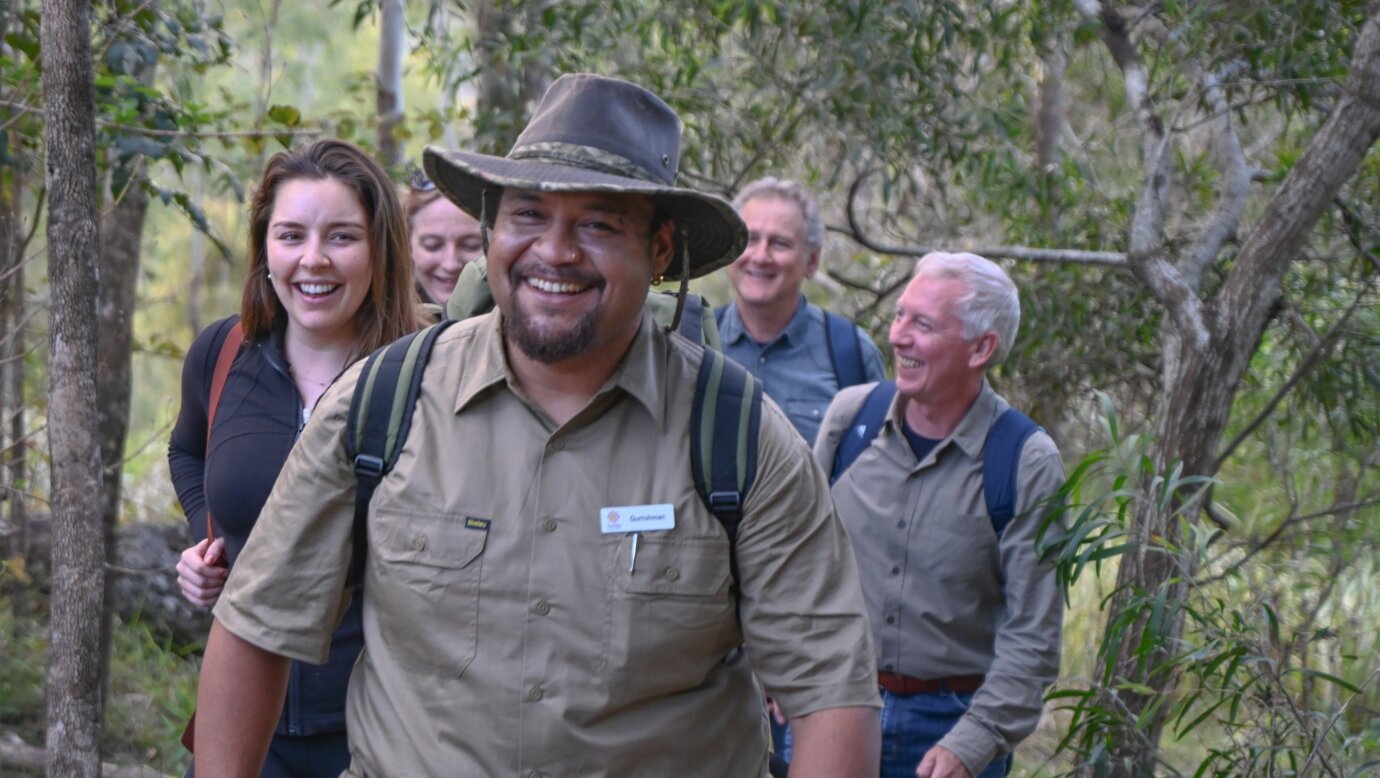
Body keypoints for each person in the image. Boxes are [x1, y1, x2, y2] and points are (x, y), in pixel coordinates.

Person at [192, 73, 881, 777]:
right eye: (527, 216)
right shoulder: (385, 402)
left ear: (662, 250)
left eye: (598, 224)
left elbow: (831, 693)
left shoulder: (738, 439)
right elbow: (256, 628)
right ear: (491, 228)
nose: (554, 251)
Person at [168, 139, 424, 777]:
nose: (314, 260)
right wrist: (211, 540)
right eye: (290, 235)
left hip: (383, 728)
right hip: (249, 728)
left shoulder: (425, 376)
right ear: (265, 249)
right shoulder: (223, 354)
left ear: (379, 249)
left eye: (342, 237)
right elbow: (186, 452)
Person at [815, 252, 1065, 778]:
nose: (898, 336)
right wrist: (782, 676)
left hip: (951, 722)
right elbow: (796, 565)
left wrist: (971, 746)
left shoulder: (1024, 459)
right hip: (834, 701)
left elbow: (1033, 636)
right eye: (900, 315)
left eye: (923, 324)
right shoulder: (850, 420)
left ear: (982, 348)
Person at [716, 177, 885, 444]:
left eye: (779, 243)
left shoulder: (851, 354)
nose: (760, 256)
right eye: (749, 239)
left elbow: (875, 466)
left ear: (812, 261)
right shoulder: (693, 341)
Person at [404, 169, 484, 305]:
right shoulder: (383, 322)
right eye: (432, 245)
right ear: (408, 246)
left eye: (471, 245)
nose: (451, 265)